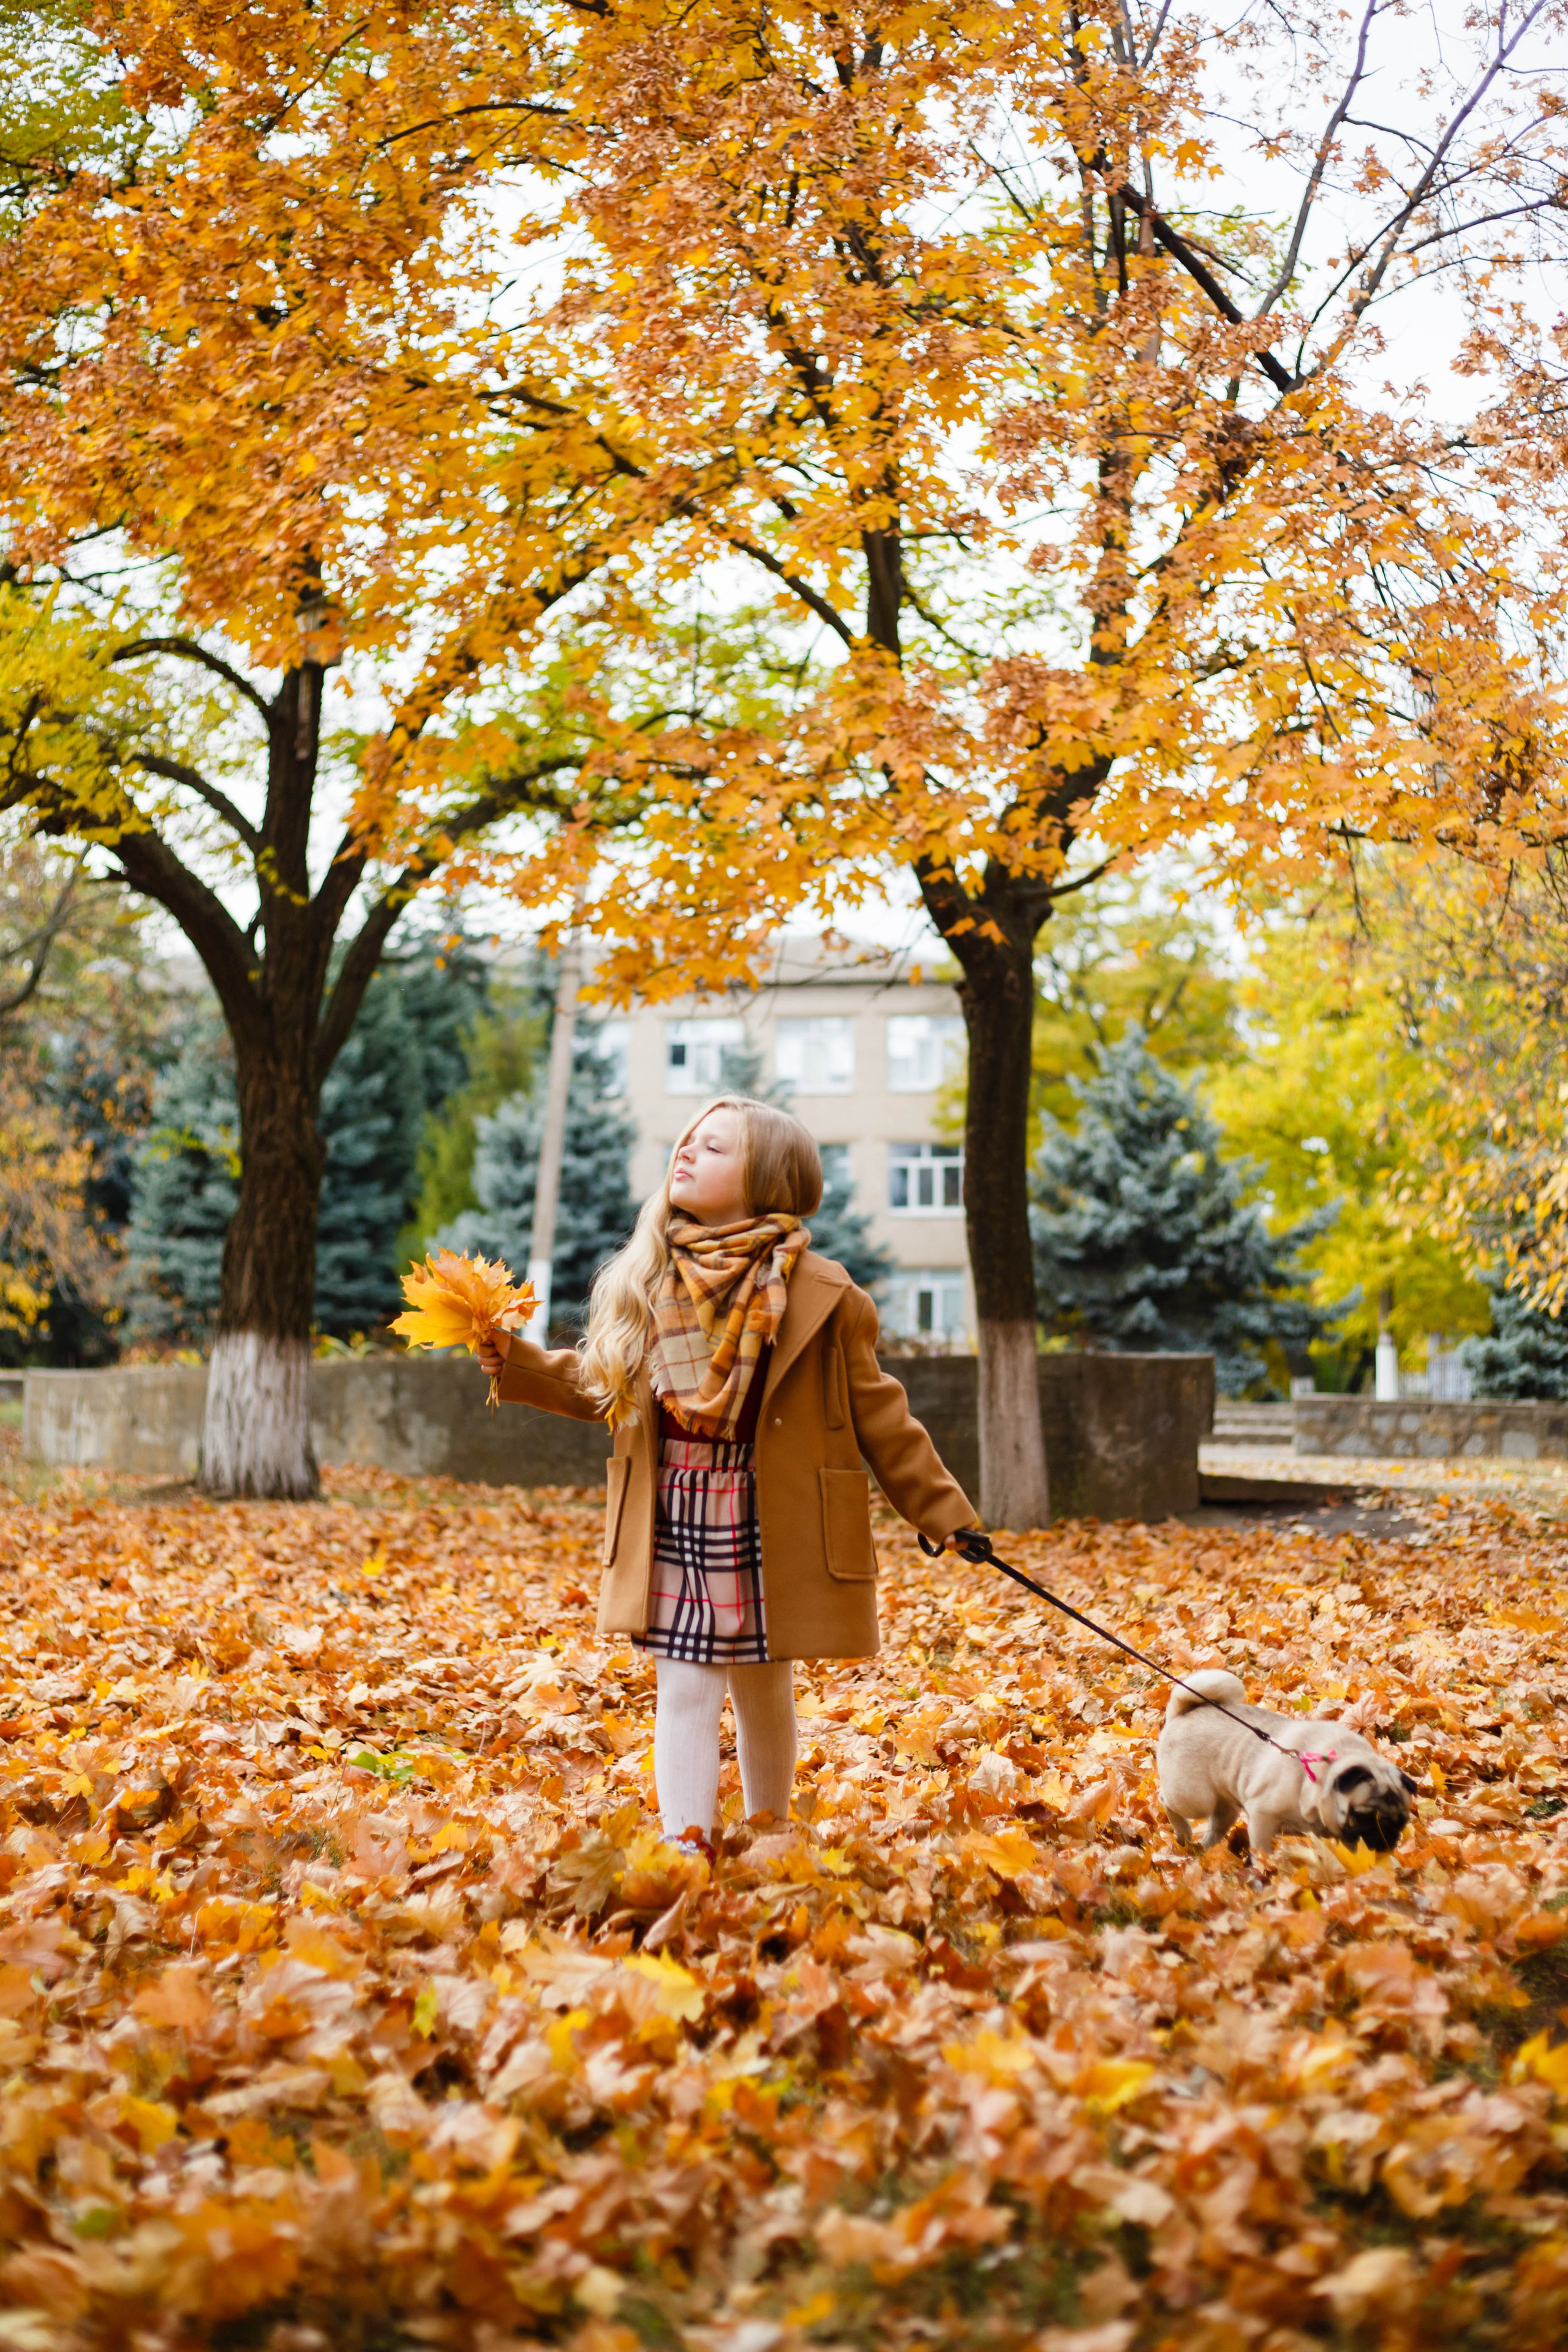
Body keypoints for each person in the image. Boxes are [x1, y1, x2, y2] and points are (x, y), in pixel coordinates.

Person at [478, 1093, 978, 1852]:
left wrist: (946, 1516)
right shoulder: (652, 1278)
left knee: (763, 1682)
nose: (686, 1153)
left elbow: (882, 1415)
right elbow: (601, 1384)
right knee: (683, 1684)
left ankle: (771, 1831)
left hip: (772, 1513)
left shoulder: (826, 1293)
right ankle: (687, 1847)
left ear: (768, 1179)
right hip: (675, 1508)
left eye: (713, 1148)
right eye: (686, 1142)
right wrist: (519, 1363)